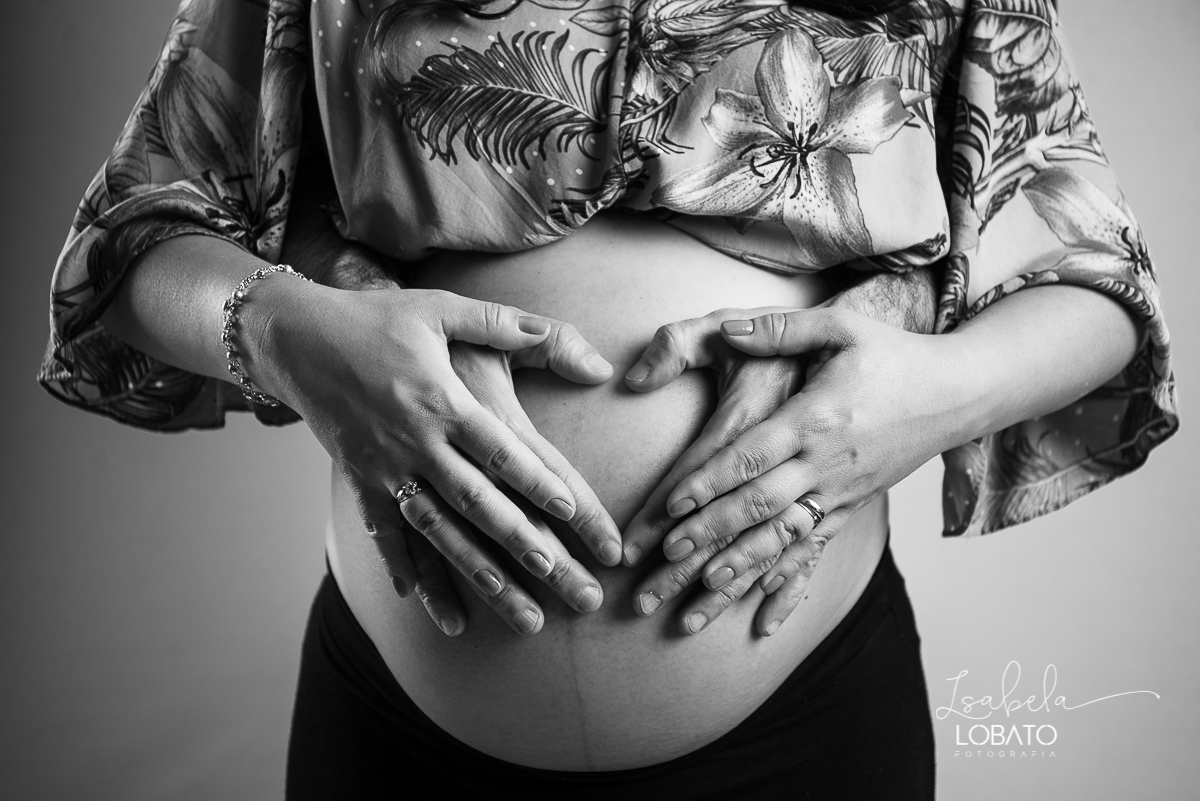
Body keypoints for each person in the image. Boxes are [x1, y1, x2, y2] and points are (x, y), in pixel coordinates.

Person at [38, 0, 1176, 798]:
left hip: (804, 726)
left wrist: (923, 398)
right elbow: (137, 242)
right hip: (399, 728)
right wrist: (292, 335)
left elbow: (1097, 284)